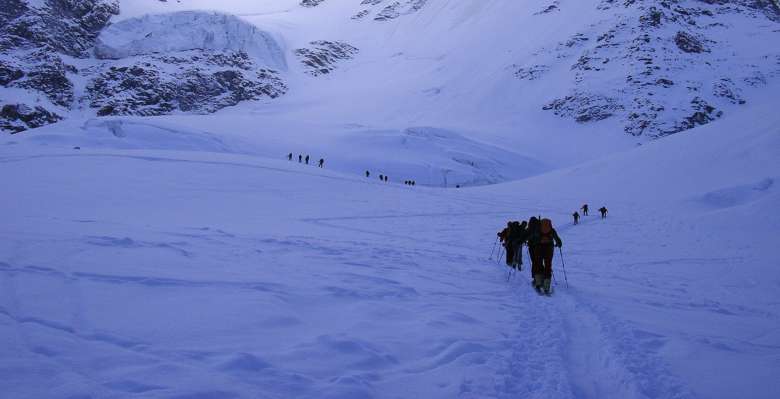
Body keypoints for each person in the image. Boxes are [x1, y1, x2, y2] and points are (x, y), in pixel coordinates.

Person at [527, 217, 562, 294]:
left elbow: (531, 238)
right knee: (548, 266)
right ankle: (546, 286)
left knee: (538, 265)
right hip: (549, 249)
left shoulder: (537, 230)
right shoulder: (551, 230)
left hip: (538, 249)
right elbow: (558, 240)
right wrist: (558, 244)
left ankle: (538, 284)